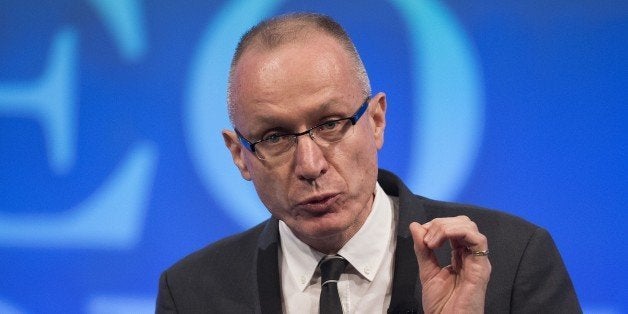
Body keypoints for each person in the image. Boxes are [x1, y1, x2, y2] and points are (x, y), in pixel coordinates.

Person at [156, 13, 580, 313]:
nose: (310, 164)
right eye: (275, 137)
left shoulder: (510, 261)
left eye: (331, 124)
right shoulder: (193, 293)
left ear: (376, 121)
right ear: (239, 156)